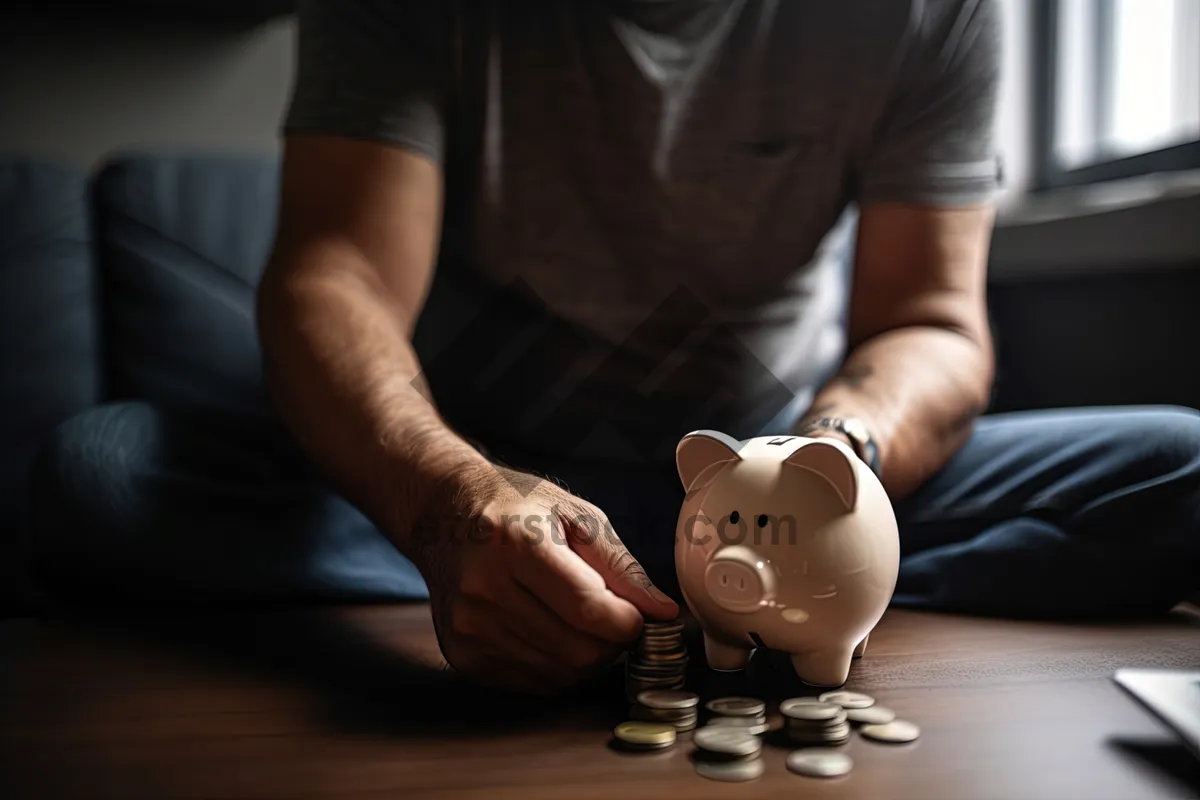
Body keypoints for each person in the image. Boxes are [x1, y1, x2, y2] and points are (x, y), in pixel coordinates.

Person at [29, 0, 1200, 696]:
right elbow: (334, 276)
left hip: (777, 480)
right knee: (102, 471)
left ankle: (694, 601)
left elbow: (931, 325)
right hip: (487, 471)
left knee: (1177, 462)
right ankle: (533, 583)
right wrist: (449, 502)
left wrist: (830, 473)